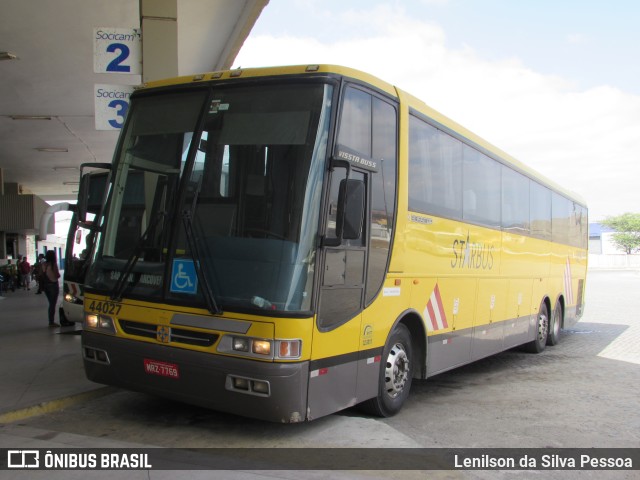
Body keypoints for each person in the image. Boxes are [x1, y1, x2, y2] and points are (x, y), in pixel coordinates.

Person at [42, 250, 61, 327]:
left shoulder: (43, 264)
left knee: (51, 303)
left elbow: (41, 274)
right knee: (52, 304)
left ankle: (51, 321)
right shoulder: (53, 264)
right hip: (53, 285)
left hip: (46, 285)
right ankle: (51, 322)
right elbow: (57, 275)